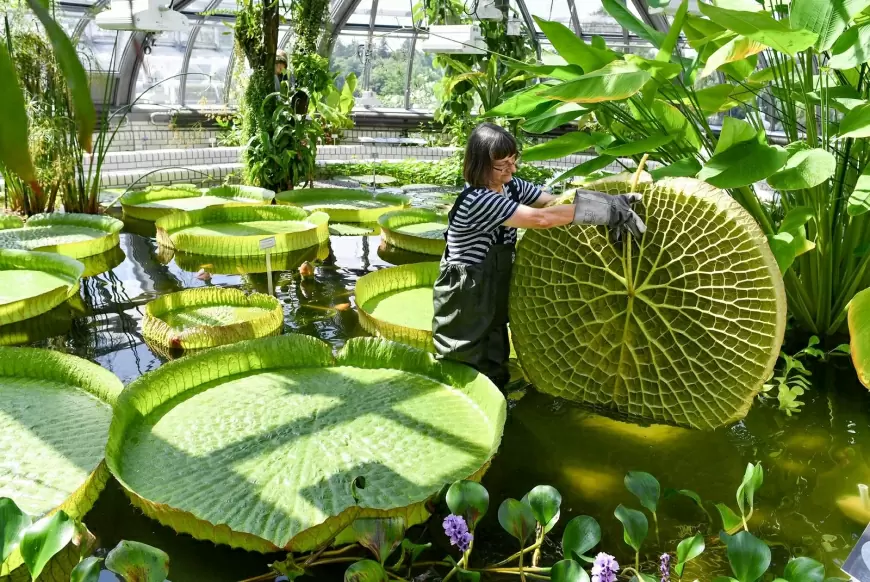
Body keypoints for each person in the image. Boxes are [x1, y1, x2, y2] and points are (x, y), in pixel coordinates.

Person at [431, 122, 647, 388]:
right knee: (462, 357)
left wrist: (608, 201)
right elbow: (541, 218)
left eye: (513, 160)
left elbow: (551, 202)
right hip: (465, 289)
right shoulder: (479, 200)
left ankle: (498, 400)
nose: (512, 169)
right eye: (502, 165)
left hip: (494, 282)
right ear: (480, 164)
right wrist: (606, 211)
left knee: (495, 348)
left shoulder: (510, 186)